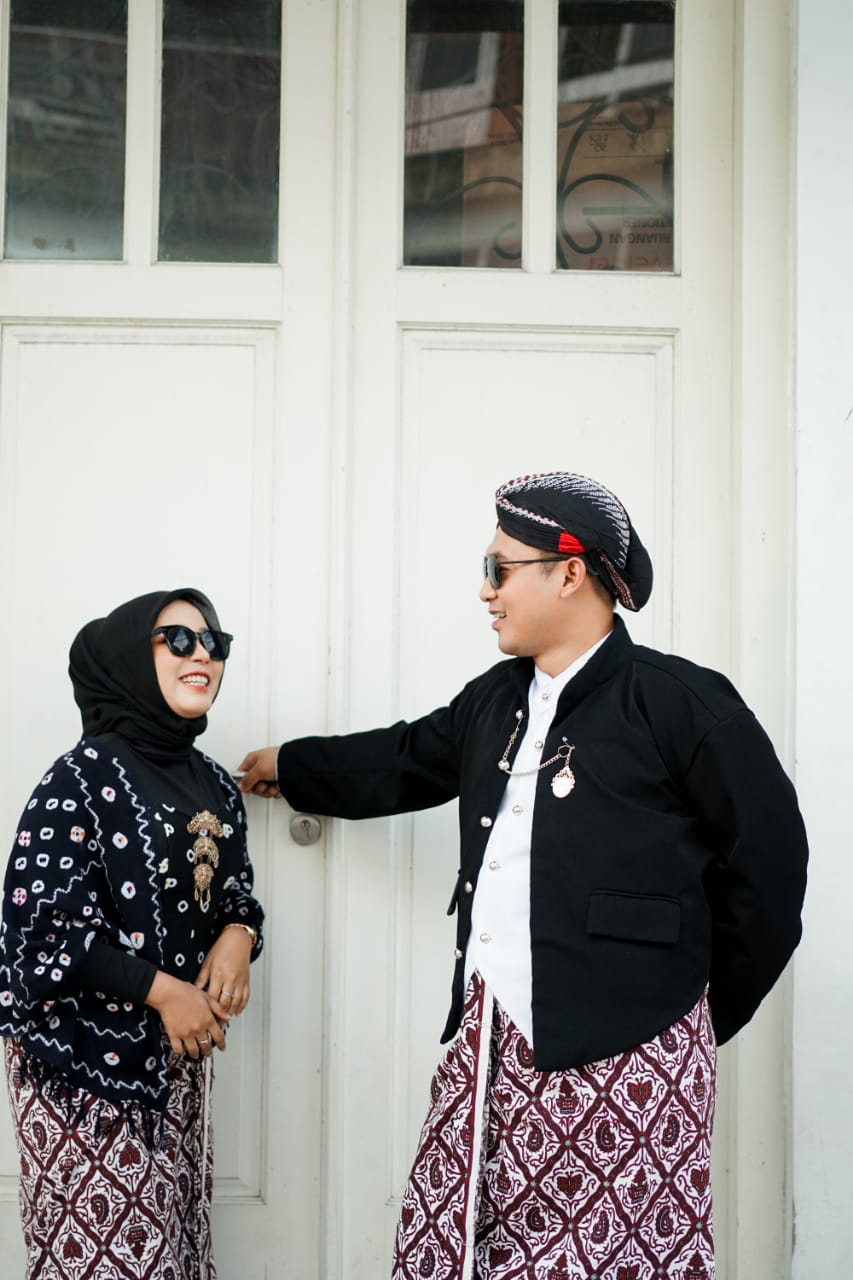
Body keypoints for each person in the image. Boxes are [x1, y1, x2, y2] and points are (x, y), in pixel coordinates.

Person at [238, 472, 808, 1280]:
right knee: (472, 1241)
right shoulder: (495, 701)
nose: (485, 590)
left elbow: (770, 873)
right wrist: (290, 766)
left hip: (633, 1053)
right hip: (491, 1044)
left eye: (498, 569)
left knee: (612, 1258)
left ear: (568, 571)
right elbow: (403, 759)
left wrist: (690, 1017)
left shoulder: (680, 702)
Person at [0, 589, 264, 1280]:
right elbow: (38, 932)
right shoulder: (79, 778)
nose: (202, 653)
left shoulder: (214, 784)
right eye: (177, 639)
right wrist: (166, 992)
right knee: (113, 1261)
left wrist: (238, 934)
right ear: (127, 658)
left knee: (170, 1250)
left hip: (175, 1060)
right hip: (82, 1064)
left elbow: (235, 890)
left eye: (214, 642)